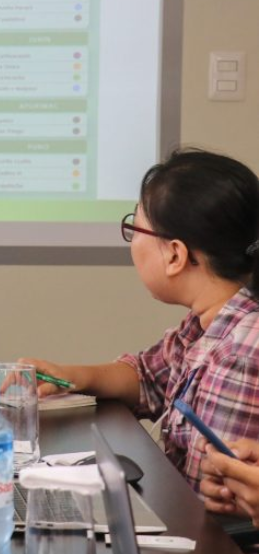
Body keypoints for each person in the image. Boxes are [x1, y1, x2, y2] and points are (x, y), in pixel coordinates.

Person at [26, 149, 259, 492]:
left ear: (175, 255)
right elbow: (147, 376)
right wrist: (70, 377)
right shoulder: (204, 325)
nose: (132, 243)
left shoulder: (237, 353)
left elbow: (208, 495)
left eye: (134, 229)